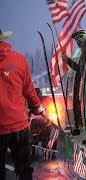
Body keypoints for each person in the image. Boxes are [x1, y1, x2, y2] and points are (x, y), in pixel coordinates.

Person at [0, 30, 49, 179]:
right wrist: (39, 108)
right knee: (24, 170)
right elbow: (29, 90)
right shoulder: (19, 60)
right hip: (19, 126)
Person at [62, 29, 86, 134]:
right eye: (76, 39)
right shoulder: (84, 50)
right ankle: (80, 124)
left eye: (80, 37)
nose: (78, 40)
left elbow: (83, 69)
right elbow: (80, 68)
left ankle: (82, 125)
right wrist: (68, 60)